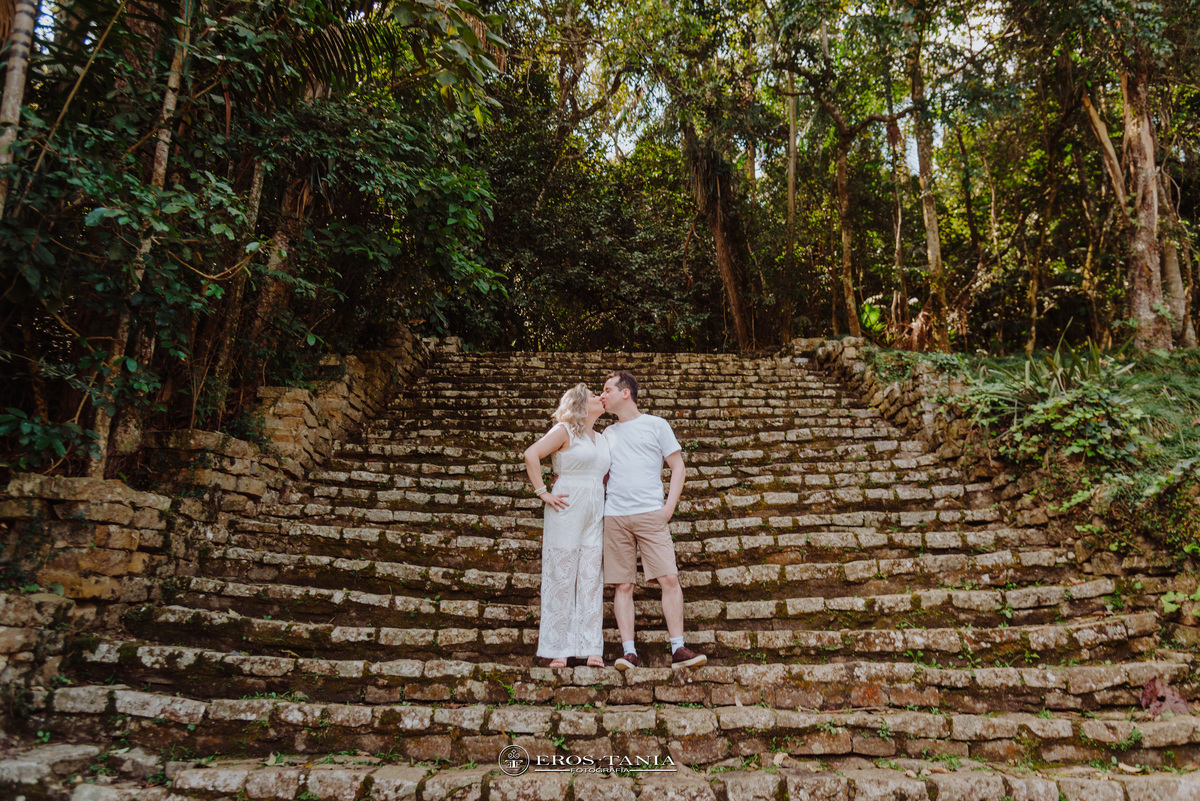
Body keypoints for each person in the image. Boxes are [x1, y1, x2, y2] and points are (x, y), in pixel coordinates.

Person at [600, 370, 706, 670]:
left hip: (650, 512)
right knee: (622, 585)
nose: (602, 395)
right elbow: (603, 473)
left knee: (669, 578)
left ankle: (678, 648)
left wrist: (668, 508)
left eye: (607, 389)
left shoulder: (656, 425)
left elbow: (678, 467)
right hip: (615, 515)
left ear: (625, 392)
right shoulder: (607, 434)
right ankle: (629, 652)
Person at [523, 384, 610, 668]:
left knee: (590, 575)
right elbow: (531, 454)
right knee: (562, 574)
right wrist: (542, 492)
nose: (601, 398)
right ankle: (558, 647)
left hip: (595, 511)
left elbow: (602, 474)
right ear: (582, 404)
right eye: (596, 395)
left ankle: (590, 647)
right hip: (566, 508)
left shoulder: (601, 438)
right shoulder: (564, 430)